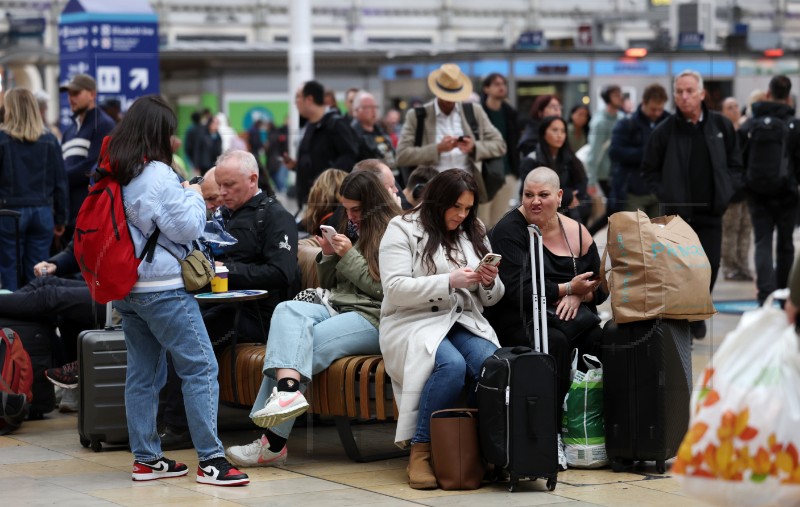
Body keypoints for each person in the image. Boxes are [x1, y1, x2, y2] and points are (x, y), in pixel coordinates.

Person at [107, 95, 248, 486]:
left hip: (129, 287)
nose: (173, 139)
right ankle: (212, 461)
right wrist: (197, 192)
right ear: (157, 133)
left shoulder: (119, 170)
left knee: (143, 374)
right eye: (168, 131)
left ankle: (147, 458)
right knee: (201, 367)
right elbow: (186, 228)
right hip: (163, 288)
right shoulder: (157, 174)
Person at [225, 170, 402, 467]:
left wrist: (348, 257)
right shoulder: (355, 225)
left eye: (356, 209)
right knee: (285, 309)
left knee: (304, 346)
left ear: (373, 204)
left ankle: (272, 443)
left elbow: (386, 290)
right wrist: (330, 256)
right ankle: (288, 393)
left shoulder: (394, 230)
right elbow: (334, 285)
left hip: (376, 318)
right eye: (346, 208)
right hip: (339, 306)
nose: (350, 215)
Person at [378, 169, 504, 490]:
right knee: (450, 365)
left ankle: (481, 449)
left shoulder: (472, 228)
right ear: (438, 200)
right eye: (456, 207)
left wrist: (488, 281)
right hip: (412, 322)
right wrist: (449, 281)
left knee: (491, 365)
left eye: (467, 208)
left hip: (460, 318)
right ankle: (420, 451)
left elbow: (492, 297)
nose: (462, 215)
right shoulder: (402, 227)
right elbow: (395, 289)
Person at [488, 166, 607, 471]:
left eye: (543, 195)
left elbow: (600, 287)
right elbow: (517, 292)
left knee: (601, 340)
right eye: (528, 195)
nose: (535, 201)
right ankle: (549, 434)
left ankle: (591, 428)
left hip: (567, 316)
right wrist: (567, 288)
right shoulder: (508, 232)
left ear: (559, 196)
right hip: (520, 319)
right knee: (553, 344)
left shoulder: (576, 231)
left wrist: (579, 295)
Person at [642, 70, 744, 339]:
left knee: (709, 267)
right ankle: (687, 319)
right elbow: (649, 170)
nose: (684, 97)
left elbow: (735, 163)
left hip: (712, 212)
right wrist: (667, 194)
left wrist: (727, 190)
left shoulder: (721, 127)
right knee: (679, 272)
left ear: (701, 94)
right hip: (678, 217)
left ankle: (697, 311)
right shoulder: (664, 131)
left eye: (689, 91)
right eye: (679, 92)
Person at [395, 63, 506, 206]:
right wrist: (438, 149)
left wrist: (474, 147)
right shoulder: (417, 116)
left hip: (467, 190)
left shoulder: (473, 111)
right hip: (431, 192)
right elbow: (402, 155)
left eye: (454, 96)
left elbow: (500, 145)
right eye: (446, 96)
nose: (449, 101)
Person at [740, 76, 800, 304]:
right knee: (785, 245)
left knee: (762, 242)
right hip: (786, 194)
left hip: (757, 193)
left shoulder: (751, 124)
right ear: (788, 97)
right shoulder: (794, 125)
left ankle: (765, 294)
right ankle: (784, 295)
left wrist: (745, 182)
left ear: (767, 93)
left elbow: (740, 156)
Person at [0, 88, 68, 290]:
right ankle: (36, 318)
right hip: (43, 212)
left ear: (10, 109)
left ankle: (12, 318)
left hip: (8, 213)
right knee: (38, 271)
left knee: (9, 269)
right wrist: (61, 218)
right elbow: (60, 182)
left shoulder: (2, 140)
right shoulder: (50, 140)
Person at [283, 81, 360, 209]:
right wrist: (297, 166)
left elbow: (350, 156)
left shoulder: (336, 124)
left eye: (298, 97)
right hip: (309, 202)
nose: (296, 102)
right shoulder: (310, 127)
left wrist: (325, 180)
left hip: (330, 203)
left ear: (309, 99)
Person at [59, 73, 116, 244]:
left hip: (89, 211)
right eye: (69, 94)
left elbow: (93, 167)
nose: (71, 98)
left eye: (76, 93)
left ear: (92, 94)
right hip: (69, 212)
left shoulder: (103, 124)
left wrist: (59, 179)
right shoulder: (69, 130)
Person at [608, 83, 670, 218]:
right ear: (644, 103)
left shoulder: (669, 122)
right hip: (634, 191)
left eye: (660, 109)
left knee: (657, 237)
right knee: (635, 236)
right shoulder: (627, 123)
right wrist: (648, 153)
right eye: (653, 109)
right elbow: (615, 152)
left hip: (660, 190)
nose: (657, 113)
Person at [519, 116, 590, 224]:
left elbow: (582, 184)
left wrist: (568, 196)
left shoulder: (570, 158)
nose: (559, 135)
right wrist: (567, 196)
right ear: (544, 133)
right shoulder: (532, 160)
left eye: (563, 131)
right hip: (540, 219)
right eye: (554, 130)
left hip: (569, 215)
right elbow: (531, 193)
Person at [480, 72, 521, 227]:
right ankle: (481, 252)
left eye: (503, 84)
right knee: (481, 221)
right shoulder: (479, 112)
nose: (501, 87)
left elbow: (515, 142)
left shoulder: (510, 112)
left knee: (499, 222)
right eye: (497, 84)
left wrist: (515, 171)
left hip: (508, 173)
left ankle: (495, 251)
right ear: (486, 89)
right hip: (485, 174)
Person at [719, 97, 753, 282]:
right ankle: (730, 267)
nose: (733, 110)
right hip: (731, 192)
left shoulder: (746, 131)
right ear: (723, 111)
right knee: (730, 231)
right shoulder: (721, 134)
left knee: (745, 230)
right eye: (729, 107)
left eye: (735, 106)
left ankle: (743, 265)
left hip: (747, 188)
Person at [586, 84, 624, 235]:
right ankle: (588, 234)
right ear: (608, 98)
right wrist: (591, 180)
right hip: (604, 173)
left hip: (619, 172)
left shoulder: (622, 118)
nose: (620, 98)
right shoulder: (600, 122)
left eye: (620, 94)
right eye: (616, 95)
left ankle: (589, 235)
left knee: (615, 209)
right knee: (614, 209)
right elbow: (594, 152)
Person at [351, 91, 397, 170]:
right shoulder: (352, 135)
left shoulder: (382, 131)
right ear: (357, 110)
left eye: (375, 107)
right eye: (369, 107)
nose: (374, 110)